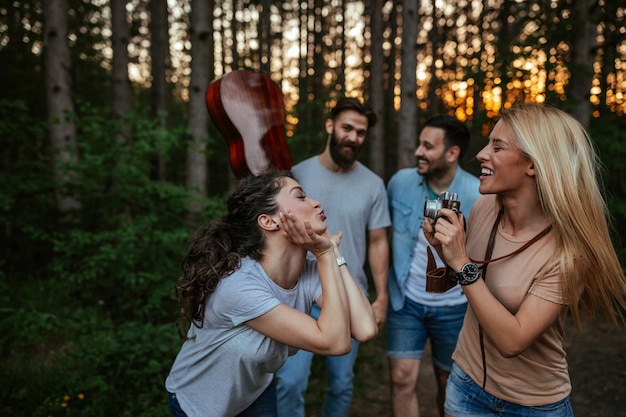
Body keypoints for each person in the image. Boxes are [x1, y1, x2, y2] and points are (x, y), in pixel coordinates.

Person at [423, 103, 626, 417]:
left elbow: (513, 340)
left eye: (498, 146)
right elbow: (468, 279)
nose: (480, 155)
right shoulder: (485, 207)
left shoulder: (569, 253)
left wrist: (461, 260)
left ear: (533, 164)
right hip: (466, 385)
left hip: (533, 405)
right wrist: (444, 250)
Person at [165, 170, 378, 417]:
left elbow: (365, 327)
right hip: (199, 402)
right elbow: (335, 342)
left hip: (255, 392)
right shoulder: (238, 286)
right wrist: (325, 254)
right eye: (300, 197)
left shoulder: (312, 272)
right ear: (269, 221)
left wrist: (333, 254)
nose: (315, 203)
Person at [276, 97, 391, 417]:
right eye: (347, 128)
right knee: (289, 383)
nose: (353, 137)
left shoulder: (373, 184)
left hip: (347, 295)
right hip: (300, 293)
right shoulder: (297, 175)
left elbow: (379, 241)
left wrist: (380, 297)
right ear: (330, 126)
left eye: (361, 132)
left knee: (341, 384)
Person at [387, 115, 481, 417]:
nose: (418, 152)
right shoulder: (400, 183)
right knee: (401, 378)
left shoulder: (478, 194)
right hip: (406, 302)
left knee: (448, 382)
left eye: (428, 146)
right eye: (419, 143)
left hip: (455, 307)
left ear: (451, 153)